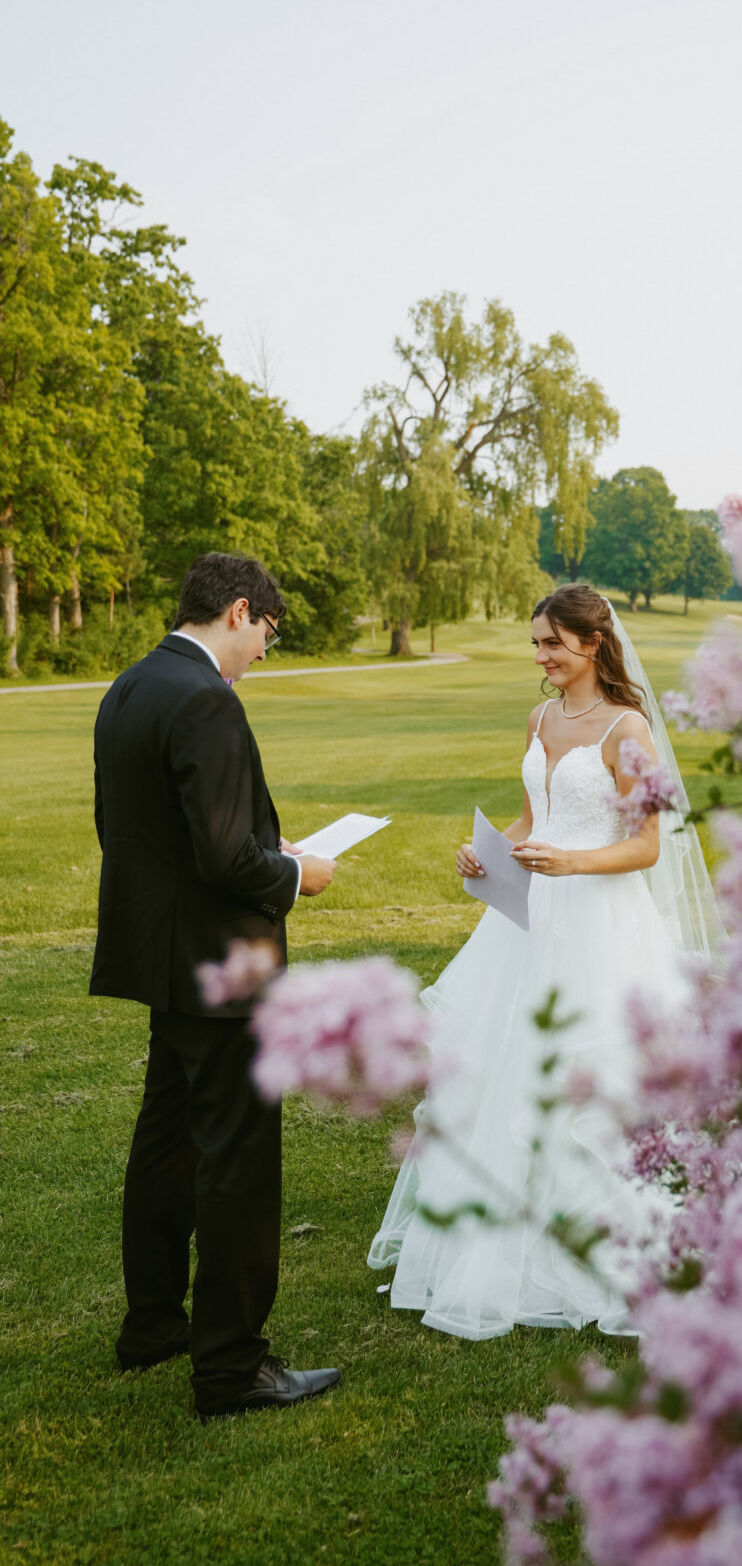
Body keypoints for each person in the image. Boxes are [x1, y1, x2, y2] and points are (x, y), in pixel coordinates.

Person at [368, 583, 725, 1340]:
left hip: (597, 923)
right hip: (527, 922)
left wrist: (570, 863)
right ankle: (499, 1236)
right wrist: (486, 849)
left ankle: (605, 1244)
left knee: (580, 1089)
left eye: (553, 644)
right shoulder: (538, 716)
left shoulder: (629, 730)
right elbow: (532, 818)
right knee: (501, 1071)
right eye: (535, 643)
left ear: (592, 644)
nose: (541, 657)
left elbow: (645, 845)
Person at [91, 552, 342, 1420]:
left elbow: (146, 831)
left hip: (161, 957)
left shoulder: (130, 684)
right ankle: (231, 1367)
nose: (264, 654)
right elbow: (230, 856)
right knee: (235, 1161)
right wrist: (295, 874)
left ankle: (153, 1325)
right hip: (223, 967)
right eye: (268, 634)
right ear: (240, 612)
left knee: (164, 1144)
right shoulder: (207, 698)